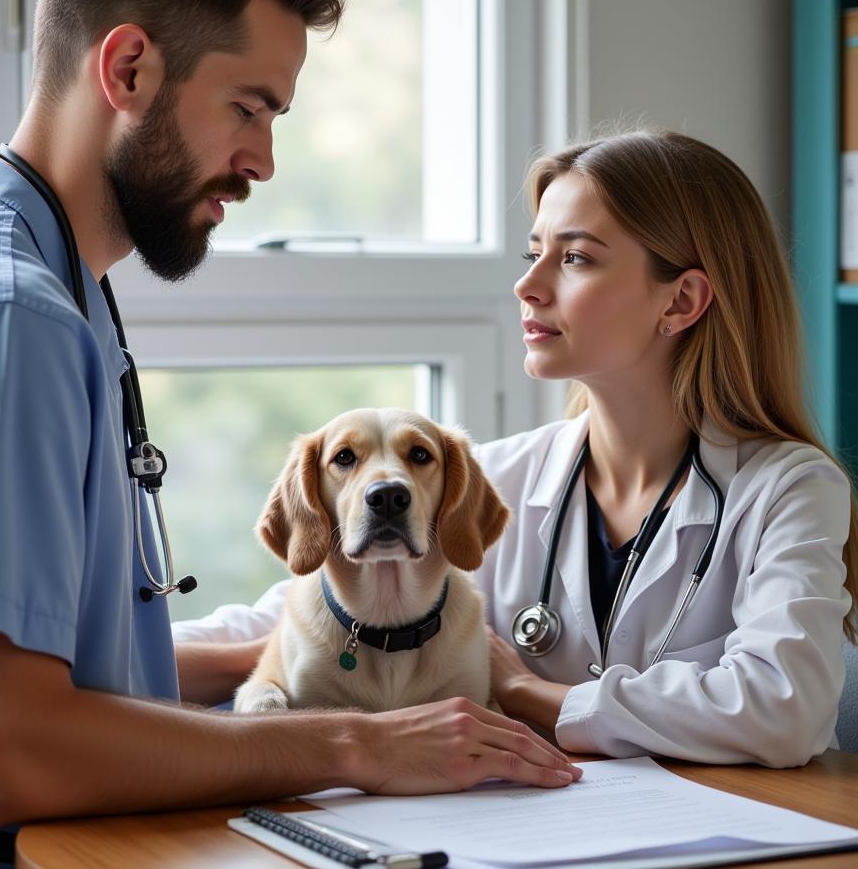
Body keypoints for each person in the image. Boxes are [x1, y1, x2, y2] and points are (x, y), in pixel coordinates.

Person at [0, 0, 580, 868]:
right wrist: (358, 742)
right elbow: (12, 749)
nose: (263, 160)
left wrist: (306, 656)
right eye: (249, 107)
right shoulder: (3, 322)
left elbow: (63, 669)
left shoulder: (40, 284)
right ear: (131, 67)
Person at [175, 129, 858, 768]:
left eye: (576, 258)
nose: (527, 286)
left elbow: (786, 709)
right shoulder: (490, 481)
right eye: (535, 253)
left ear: (680, 301)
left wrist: (534, 694)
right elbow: (282, 618)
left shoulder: (788, 489)